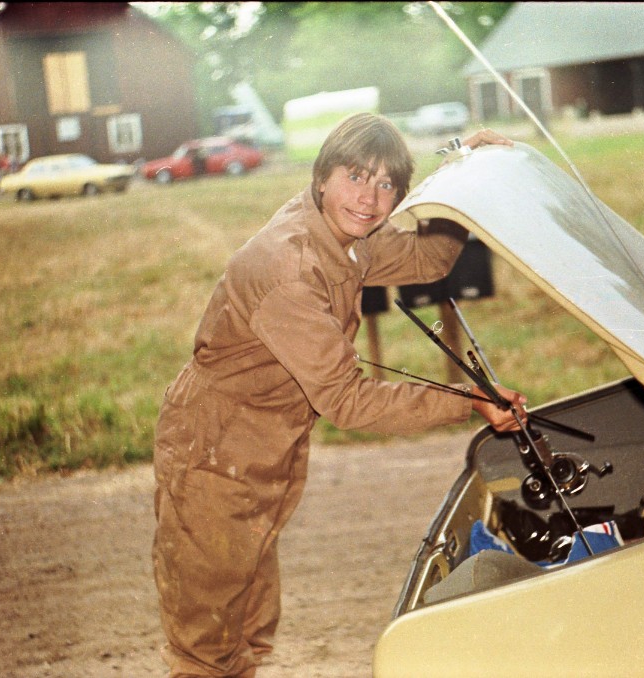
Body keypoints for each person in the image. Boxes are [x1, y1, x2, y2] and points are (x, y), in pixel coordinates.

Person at [151, 112, 525, 678]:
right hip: (214, 448)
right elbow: (348, 401)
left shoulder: (346, 235)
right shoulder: (291, 267)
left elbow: (429, 259)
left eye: (386, 186)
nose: (371, 200)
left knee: (249, 620)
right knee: (206, 637)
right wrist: (467, 400)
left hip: (263, 441)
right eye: (356, 177)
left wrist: (460, 170)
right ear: (322, 176)